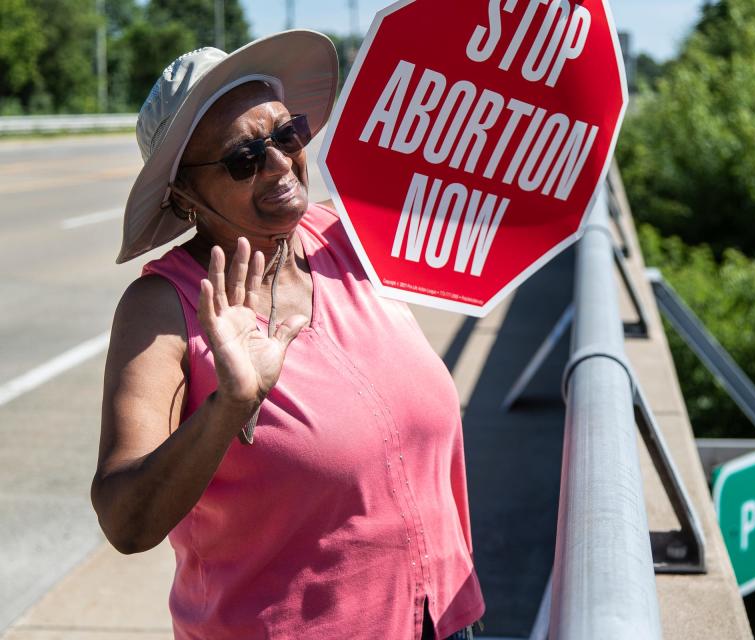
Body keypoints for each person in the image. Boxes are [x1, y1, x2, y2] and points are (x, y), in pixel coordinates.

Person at [90, 31, 485, 640]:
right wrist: (231, 406)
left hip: (446, 617)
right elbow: (126, 521)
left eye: (286, 134)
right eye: (243, 158)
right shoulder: (163, 307)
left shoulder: (351, 240)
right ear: (185, 195)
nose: (279, 163)